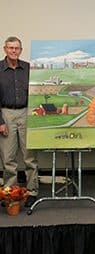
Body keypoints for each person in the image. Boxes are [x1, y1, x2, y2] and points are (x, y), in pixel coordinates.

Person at [0, 36, 39, 207]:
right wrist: (0, 121)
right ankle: (9, 192)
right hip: (6, 114)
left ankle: (32, 191)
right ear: (5, 49)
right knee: (8, 157)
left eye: (17, 48)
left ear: (21, 50)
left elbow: (36, 91)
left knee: (29, 156)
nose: (13, 51)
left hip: (26, 113)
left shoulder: (28, 69)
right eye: (10, 48)